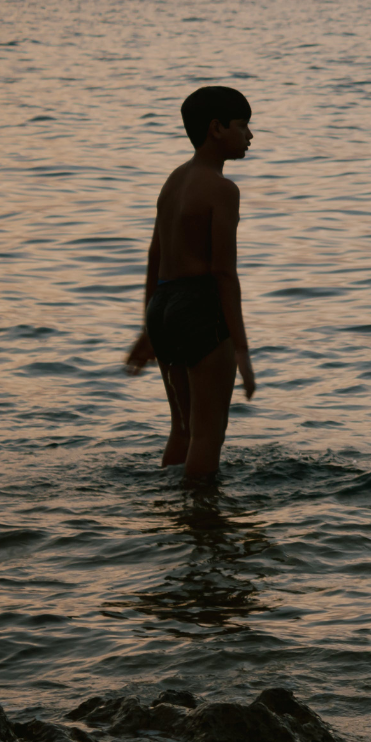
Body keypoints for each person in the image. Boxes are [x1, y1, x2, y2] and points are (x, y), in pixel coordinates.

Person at [125, 86, 257, 478]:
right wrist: (243, 353)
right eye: (243, 125)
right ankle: (204, 524)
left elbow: (154, 255)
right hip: (200, 308)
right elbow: (223, 273)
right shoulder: (222, 189)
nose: (250, 135)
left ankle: (172, 522)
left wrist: (148, 327)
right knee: (208, 435)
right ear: (216, 129)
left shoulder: (175, 180)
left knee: (183, 430)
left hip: (164, 306)